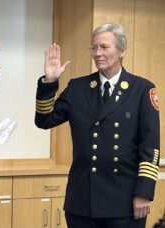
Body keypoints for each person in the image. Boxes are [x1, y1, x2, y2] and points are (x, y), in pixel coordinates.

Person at [35, 23, 160, 228]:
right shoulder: (78, 87)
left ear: (122, 50)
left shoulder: (142, 90)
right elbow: (44, 120)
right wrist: (49, 82)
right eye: (94, 48)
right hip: (82, 202)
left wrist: (144, 193)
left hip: (125, 202)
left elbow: (150, 147)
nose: (97, 53)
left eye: (104, 47)